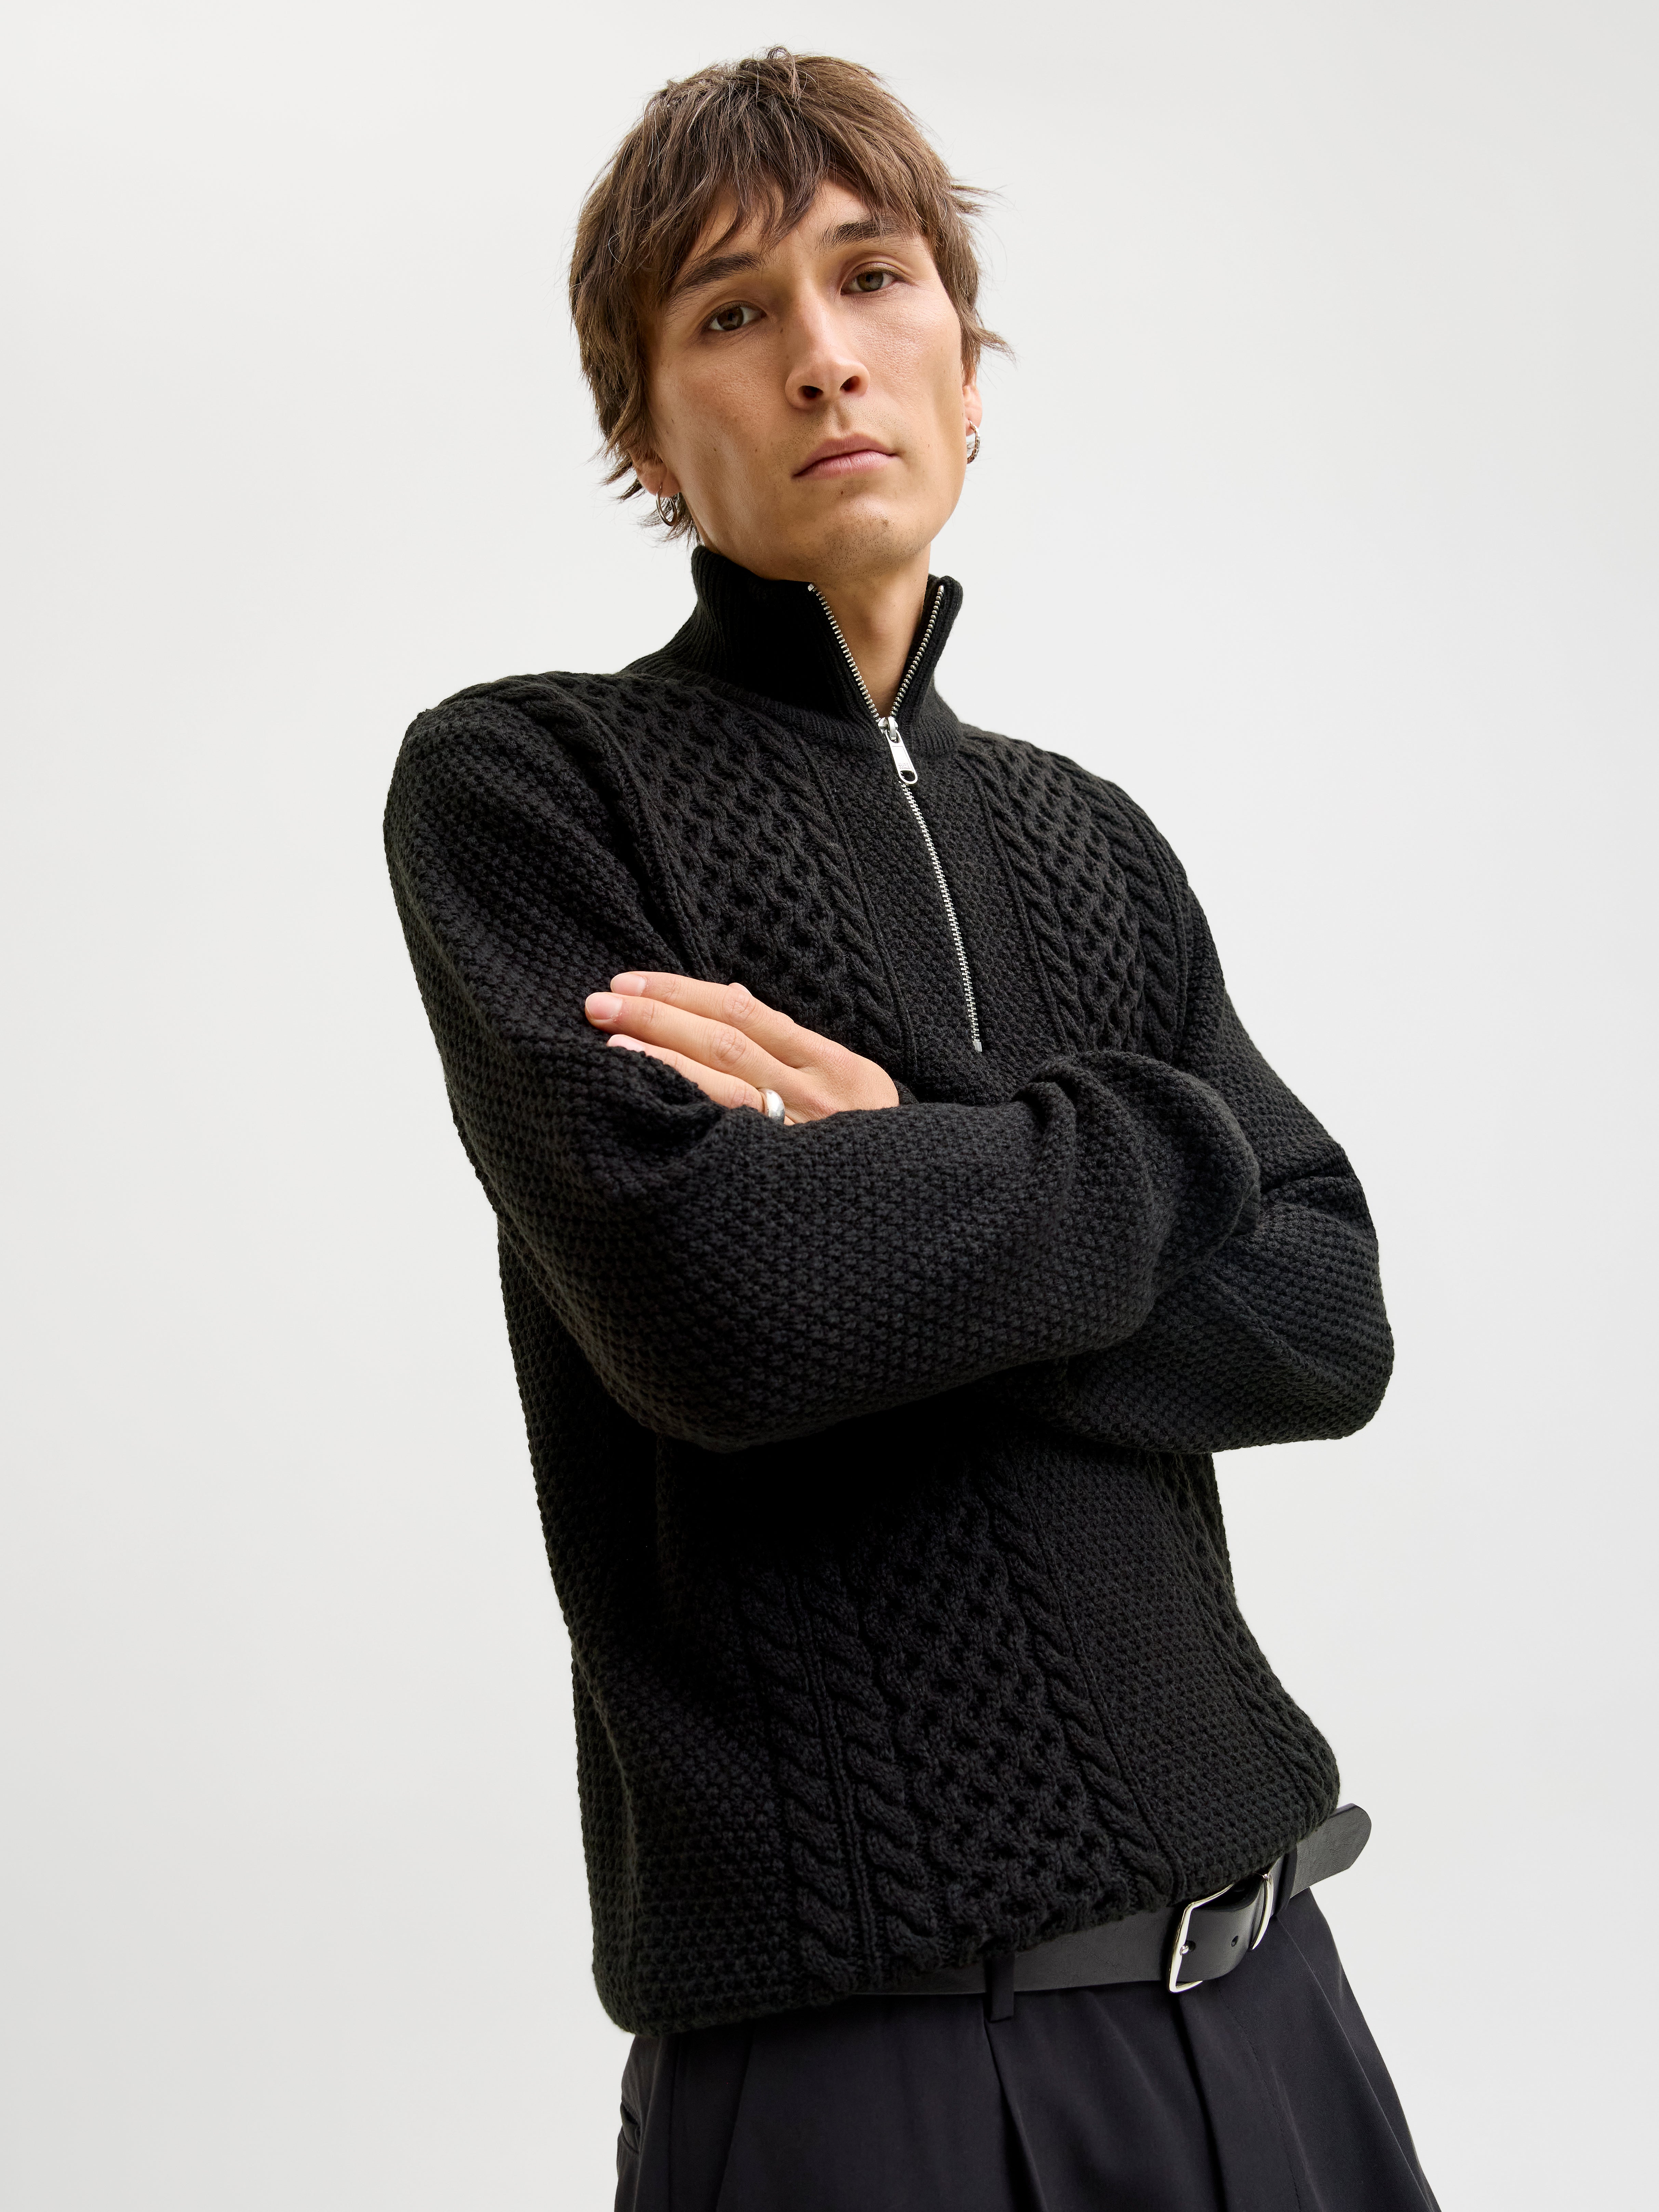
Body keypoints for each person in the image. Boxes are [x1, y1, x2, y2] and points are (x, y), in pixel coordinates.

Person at [385, 48, 1437, 2212]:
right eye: (730, 310)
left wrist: (910, 1136)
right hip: (862, 2053)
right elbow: (726, 1310)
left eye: (872, 278)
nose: (822, 354)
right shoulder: (530, 787)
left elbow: (1325, 1322)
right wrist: (1160, 1163)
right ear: (641, 431)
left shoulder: (1093, 842)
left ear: (967, 361)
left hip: (1266, 1984)